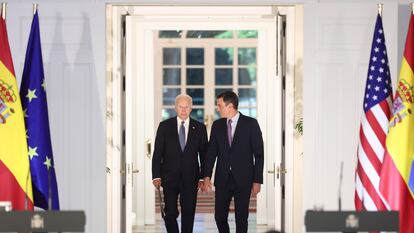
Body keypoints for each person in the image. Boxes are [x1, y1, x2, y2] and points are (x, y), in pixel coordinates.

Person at [203, 91, 264, 233]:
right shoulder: (217, 126)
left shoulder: (251, 124)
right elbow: (211, 153)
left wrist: (257, 180)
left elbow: (259, 155)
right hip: (222, 178)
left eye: (220, 105)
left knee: (241, 218)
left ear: (230, 106)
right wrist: (206, 176)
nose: (217, 109)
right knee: (219, 217)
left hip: (244, 179)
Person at [152, 94, 208, 233]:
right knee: (170, 212)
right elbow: (157, 153)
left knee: (189, 213)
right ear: (176, 107)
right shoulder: (165, 126)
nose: (183, 110)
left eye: (186, 107)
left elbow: (204, 155)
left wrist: (203, 177)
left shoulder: (200, 128)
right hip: (169, 177)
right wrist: (156, 175)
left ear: (191, 108)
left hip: (191, 178)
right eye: (181, 107)